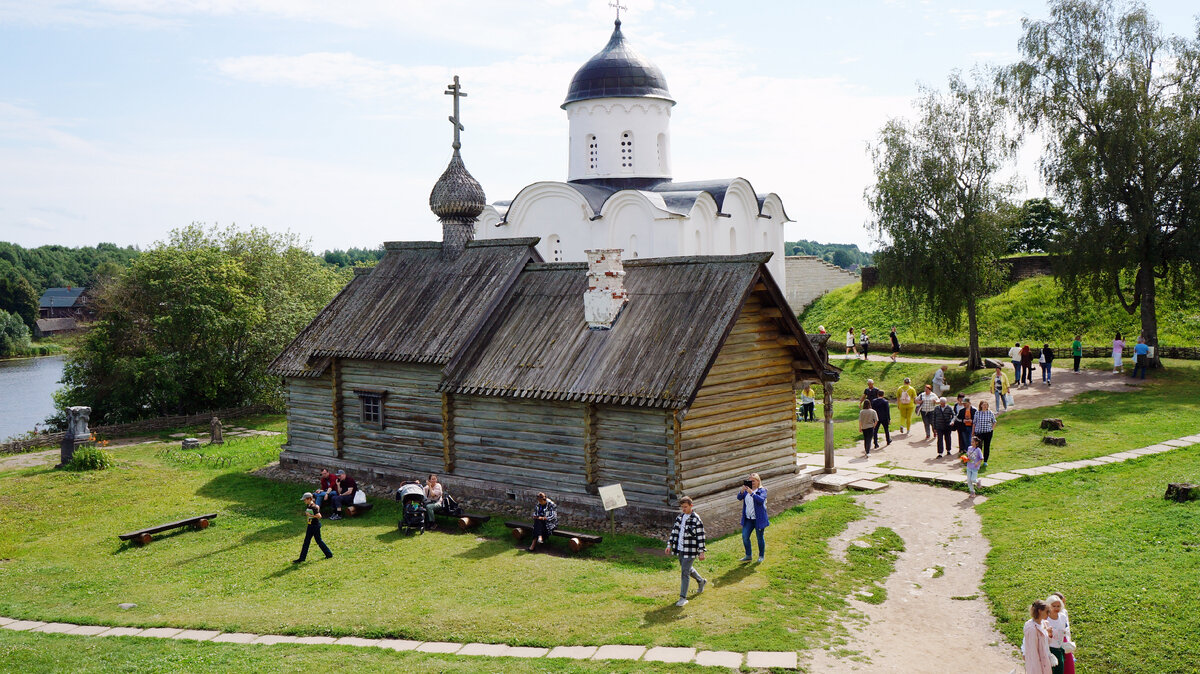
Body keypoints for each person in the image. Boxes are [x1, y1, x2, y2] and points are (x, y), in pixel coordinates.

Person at [664, 496, 706, 607]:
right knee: (686, 568)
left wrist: (701, 552)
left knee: (684, 573)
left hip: (691, 550)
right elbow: (674, 533)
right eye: (682, 507)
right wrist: (669, 545)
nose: (683, 509)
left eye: (685, 507)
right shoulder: (679, 518)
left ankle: (683, 598)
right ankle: (701, 581)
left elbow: (701, 536)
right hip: (680, 549)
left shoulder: (696, 519)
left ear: (691, 506)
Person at [736, 473, 769, 562]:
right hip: (748, 519)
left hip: (758, 519)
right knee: (745, 536)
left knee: (759, 538)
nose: (751, 482)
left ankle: (761, 556)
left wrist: (752, 494)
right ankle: (748, 555)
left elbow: (761, 500)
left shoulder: (762, 490)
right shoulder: (747, 490)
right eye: (750, 481)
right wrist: (742, 491)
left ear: (758, 481)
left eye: (753, 481)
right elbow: (739, 497)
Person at [293, 492, 333, 563]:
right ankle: (302, 558)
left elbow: (319, 516)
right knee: (306, 542)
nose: (304, 501)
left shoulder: (313, 507)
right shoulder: (309, 505)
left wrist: (310, 515)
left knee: (318, 541)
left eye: (305, 499)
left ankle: (329, 554)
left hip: (314, 526)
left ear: (309, 499)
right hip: (310, 525)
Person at [1022, 600, 1055, 674]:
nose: (1048, 614)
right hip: (1037, 665)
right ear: (1040, 611)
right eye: (1047, 611)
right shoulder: (1032, 629)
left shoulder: (1044, 624)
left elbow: (1046, 643)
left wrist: (1049, 634)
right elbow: (1033, 651)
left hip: (1045, 660)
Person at [1051, 592, 1076, 674]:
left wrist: (1069, 642)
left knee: (1068, 666)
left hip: (1064, 641)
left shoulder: (1064, 613)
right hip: (1054, 643)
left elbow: (1067, 629)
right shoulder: (1048, 615)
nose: (1063, 605)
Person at [1046, 595, 1070, 674]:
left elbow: (1065, 630)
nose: (1056, 608)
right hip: (1049, 649)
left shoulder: (1062, 617)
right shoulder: (1046, 619)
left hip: (1060, 649)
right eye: (1054, 606)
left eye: (1058, 606)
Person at [973, 401, 997, 469]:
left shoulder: (990, 413)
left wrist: (992, 429)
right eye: (984, 405)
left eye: (986, 405)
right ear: (981, 406)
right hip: (979, 433)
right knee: (979, 447)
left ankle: (985, 461)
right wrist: (973, 432)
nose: (985, 406)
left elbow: (994, 421)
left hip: (988, 432)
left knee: (987, 446)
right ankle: (978, 460)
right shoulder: (977, 413)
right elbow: (974, 423)